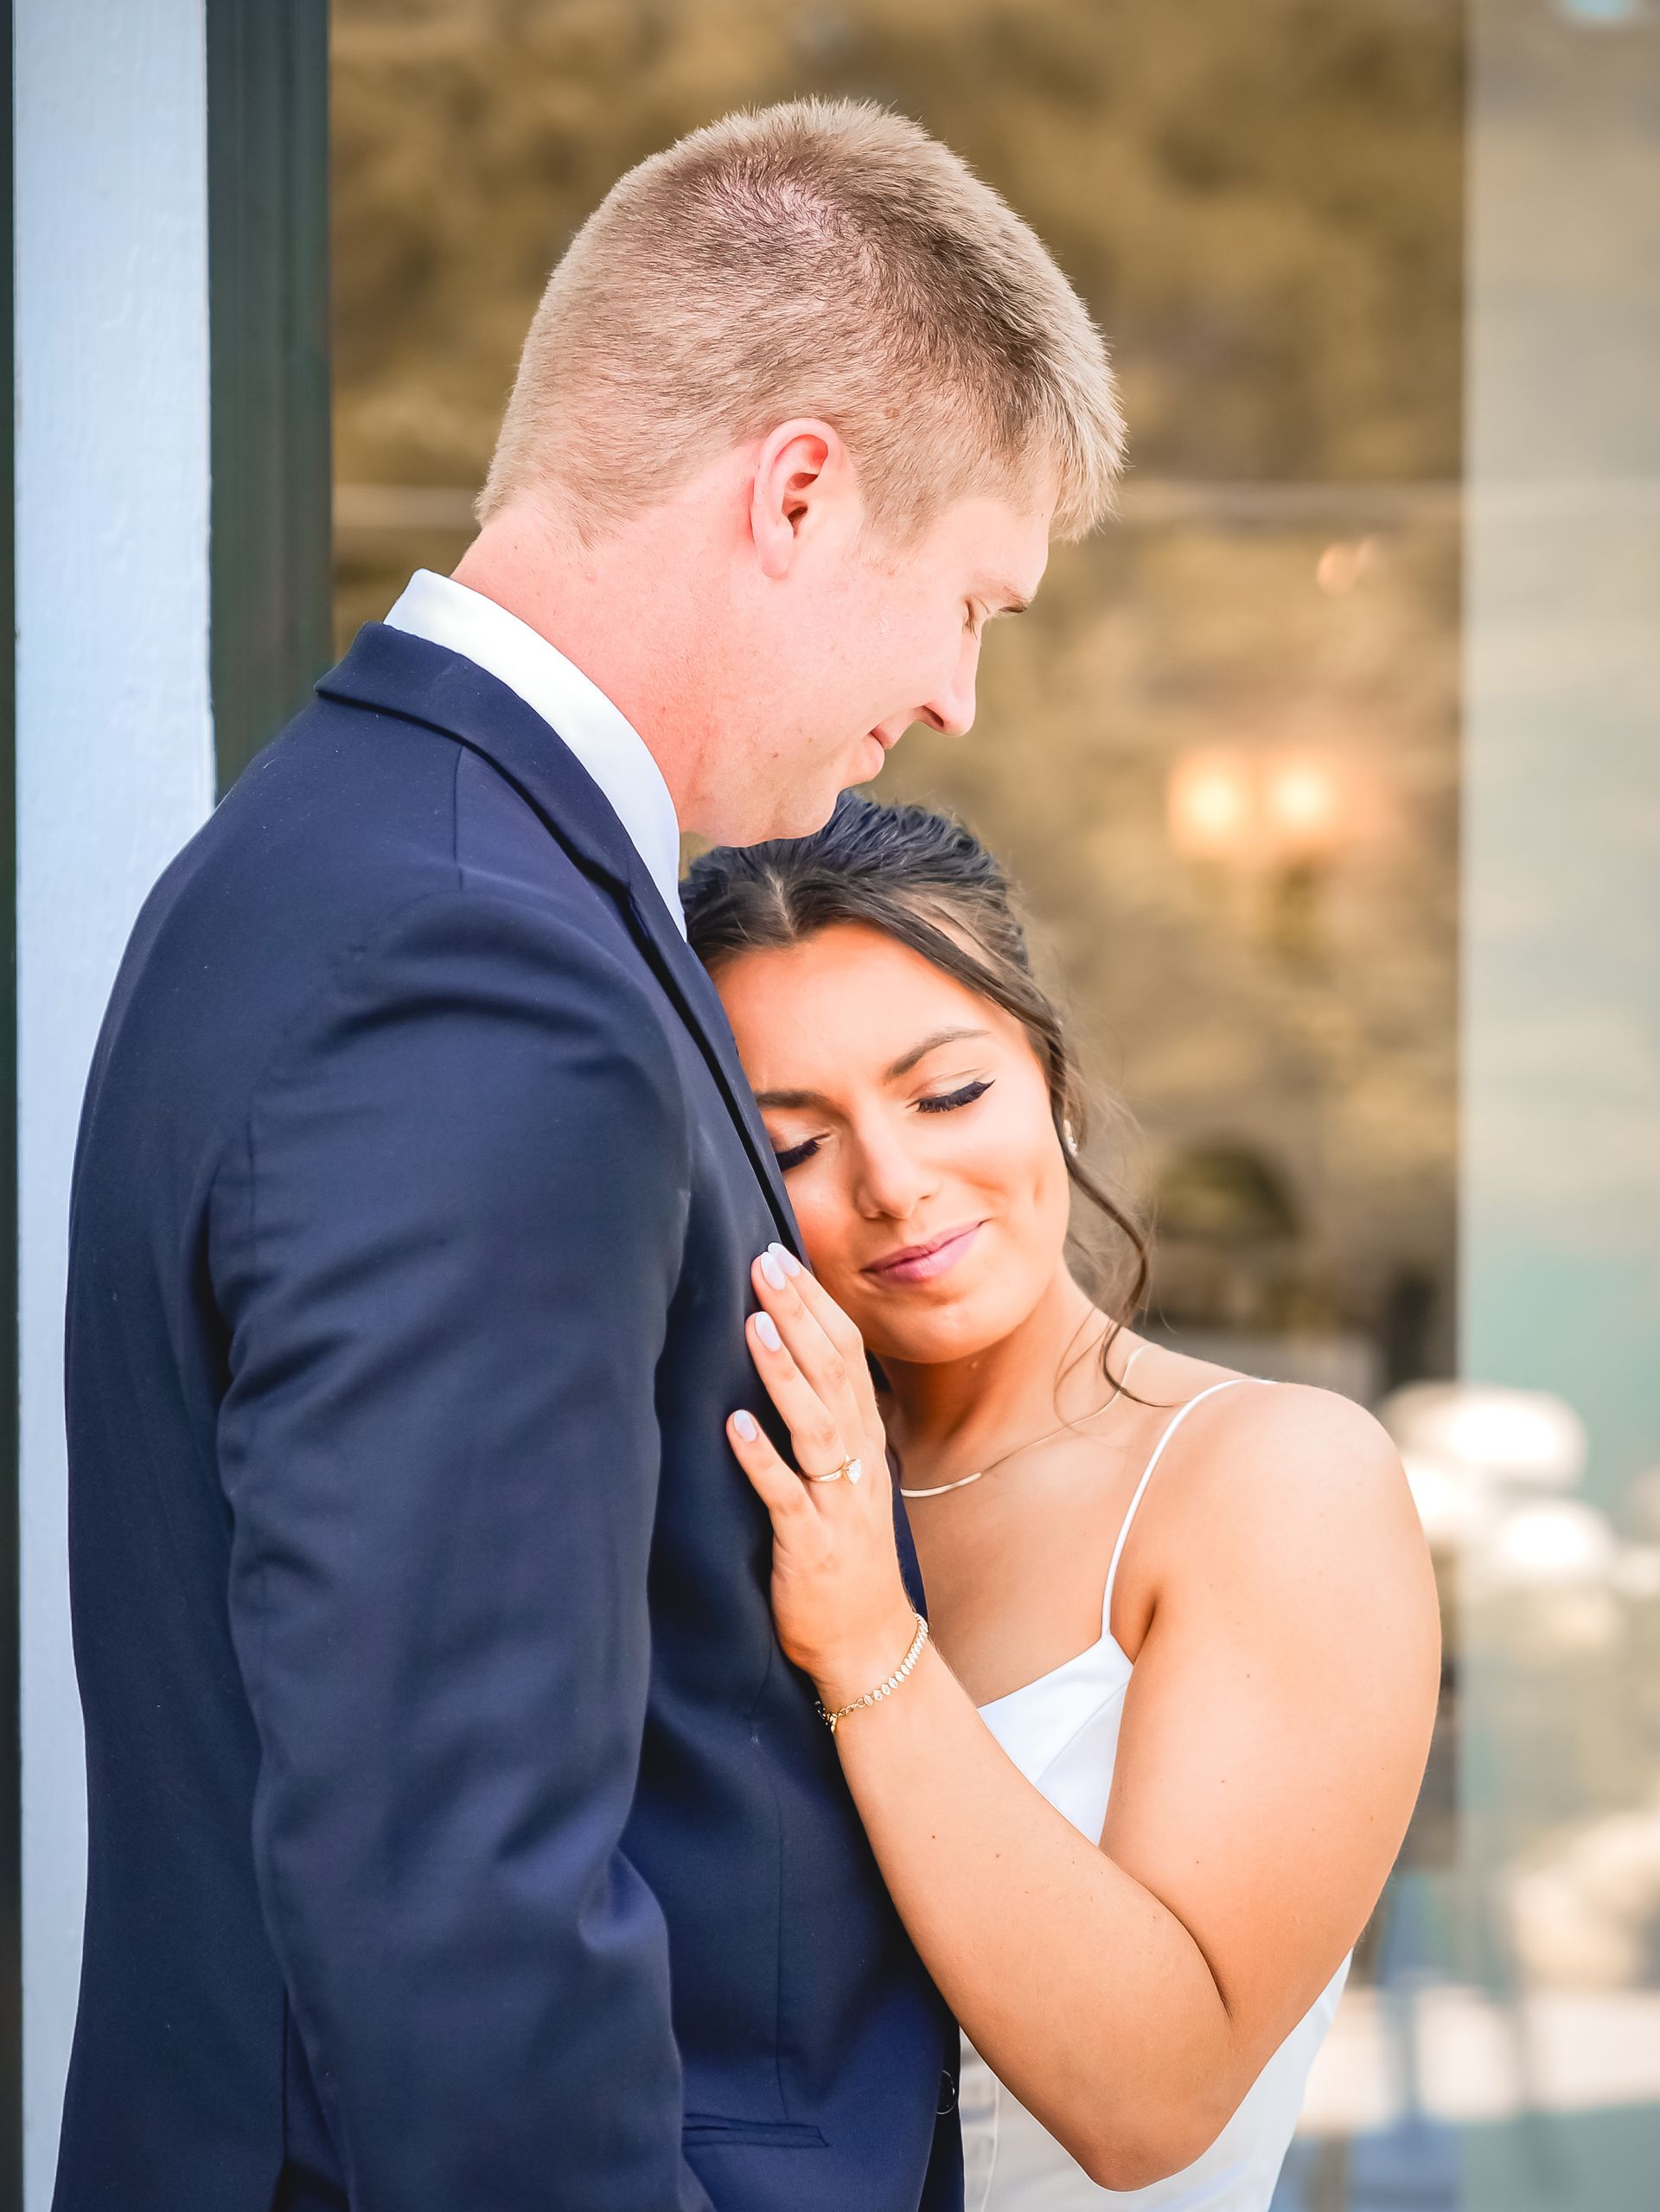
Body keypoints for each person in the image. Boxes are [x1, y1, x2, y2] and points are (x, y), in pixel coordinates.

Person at [54, 103, 1123, 2212]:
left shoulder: (331, 856)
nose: (957, 697)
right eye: (971, 601)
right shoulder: (480, 969)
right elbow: (455, 1890)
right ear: (801, 492)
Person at [684, 796, 1442, 2211]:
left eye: (949, 1093)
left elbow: (1151, 2098)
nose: (896, 1185)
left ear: (1051, 1076)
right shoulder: (744, 1490)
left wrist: (866, 1642)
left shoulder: (1271, 1480)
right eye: (796, 1148)